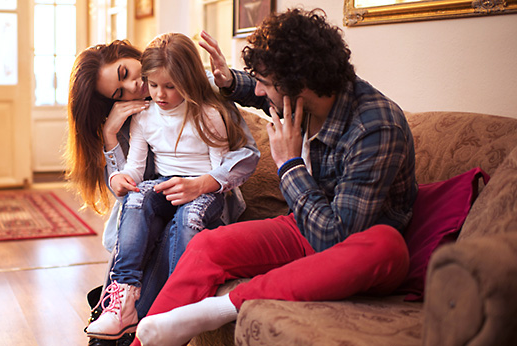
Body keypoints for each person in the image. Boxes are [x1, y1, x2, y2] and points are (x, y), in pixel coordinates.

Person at [132, 8, 418, 346]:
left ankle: (219, 308)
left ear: (299, 86)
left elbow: (336, 240)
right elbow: (255, 90)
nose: (260, 93)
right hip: (303, 224)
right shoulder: (301, 100)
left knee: (386, 244)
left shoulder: (373, 127)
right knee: (207, 246)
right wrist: (227, 80)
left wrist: (290, 164)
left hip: (354, 247)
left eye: (267, 84)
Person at [66, 37, 260, 345]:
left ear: (132, 54)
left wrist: (204, 183)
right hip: (149, 209)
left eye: (126, 72)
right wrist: (110, 136)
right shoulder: (133, 114)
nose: (134, 87)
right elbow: (128, 185)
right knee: (138, 218)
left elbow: (244, 154)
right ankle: (116, 311)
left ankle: (142, 322)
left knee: (174, 228)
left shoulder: (203, 94)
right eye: (119, 91)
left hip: (197, 202)